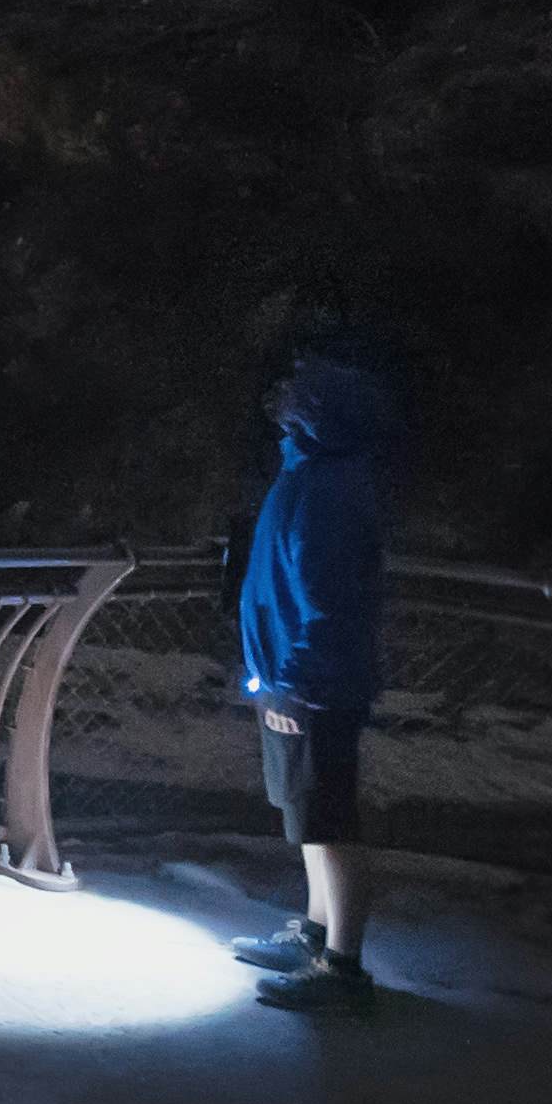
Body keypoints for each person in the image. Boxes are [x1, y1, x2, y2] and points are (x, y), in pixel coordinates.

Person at [229, 343, 396, 1010]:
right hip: (299, 679)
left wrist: (296, 684)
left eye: (300, 394)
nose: (284, 401)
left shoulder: (322, 490)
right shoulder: (314, 476)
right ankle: (317, 932)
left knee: (329, 821)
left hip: (314, 686)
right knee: (308, 817)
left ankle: (344, 967)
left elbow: (327, 604)